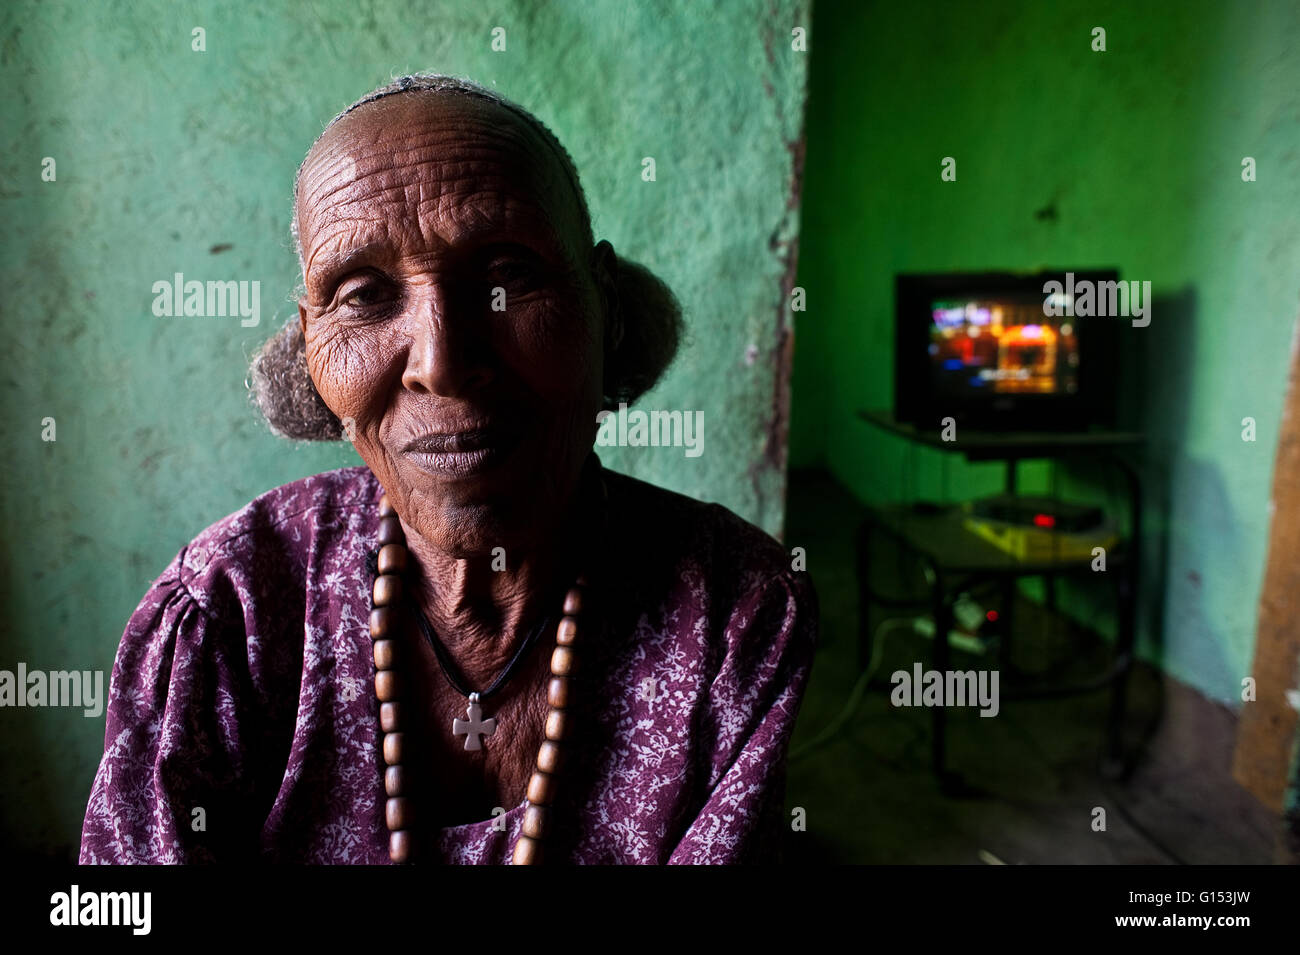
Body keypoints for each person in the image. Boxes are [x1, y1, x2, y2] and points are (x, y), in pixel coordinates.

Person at [80, 74, 818, 864]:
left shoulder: (733, 617)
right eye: (363, 295)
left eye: (508, 276)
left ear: (601, 305)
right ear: (311, 349)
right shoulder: (228, 613)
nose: (444, 362)